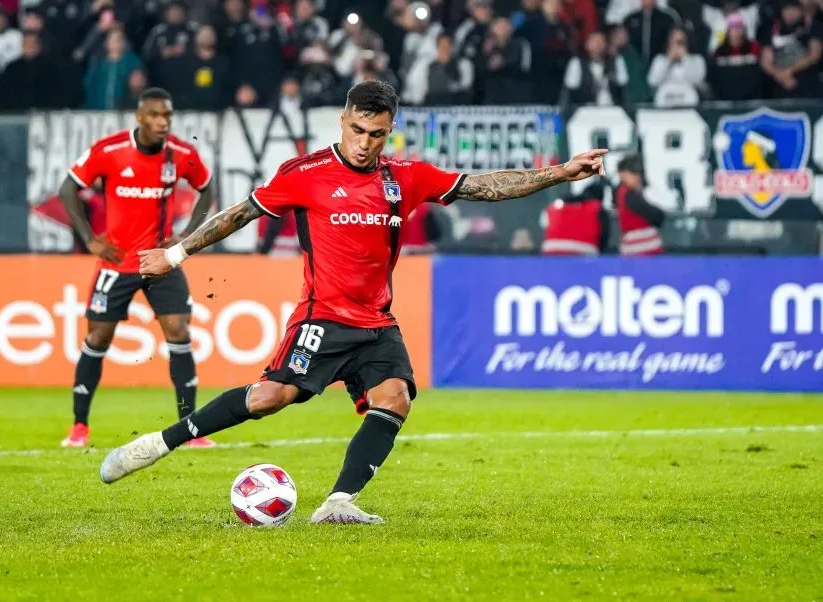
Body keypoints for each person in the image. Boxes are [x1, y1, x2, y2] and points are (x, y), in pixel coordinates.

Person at [99, 80, 606, 523]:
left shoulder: (405, 177)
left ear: (390, 131)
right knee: (268, 399)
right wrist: (177, 252)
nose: (364, 144)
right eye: (357, 131)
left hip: (377, 323)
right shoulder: (305, 172)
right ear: (343, 121)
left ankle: (338, 502)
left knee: (395, 399)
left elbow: (485, 187)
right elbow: (239, 214)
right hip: (323, 317)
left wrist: (561, 172)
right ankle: (157, 444)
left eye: (377, 134)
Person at [57, 88, 215, 449]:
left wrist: (187, 236)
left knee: (178, 331)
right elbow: (68, 189)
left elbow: (206, 189)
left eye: (168, 116)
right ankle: (79, 427)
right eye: (156, 115)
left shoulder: (181, 154)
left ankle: (190, 429)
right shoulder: (109, 150)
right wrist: (89, 240)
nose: (163, 122)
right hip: (117, 260)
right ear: (140, 117)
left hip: (161, 261)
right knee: (98, 337)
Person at [615, 154, 664, 256]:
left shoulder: (622, 192)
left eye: (638, 173)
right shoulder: (629, 194)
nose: (637, 177)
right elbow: (655, 216)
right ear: (622, 174)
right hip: (642, 250)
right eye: (632, 173)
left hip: (634, 249)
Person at [541, 183, 609, 255]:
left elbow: (545, 227)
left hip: (551, 251)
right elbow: (604, 234)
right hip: (583, 251)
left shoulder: (554, 207)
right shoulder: (597, 208)